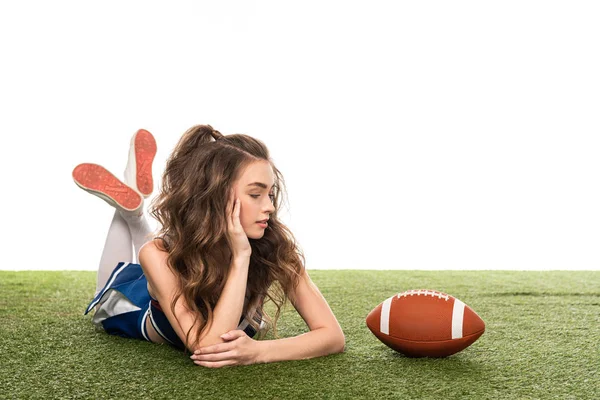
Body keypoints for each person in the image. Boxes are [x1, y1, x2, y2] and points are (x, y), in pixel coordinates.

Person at [72, 125, 345, 368]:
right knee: (106, 295)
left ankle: (132, 210)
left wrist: (258, 351)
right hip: (138, 310)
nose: (270, 207)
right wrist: (240, 256)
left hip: (181, 269)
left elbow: (332, 336)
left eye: (270, 193)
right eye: (255, 194)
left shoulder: (273, 244)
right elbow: (210, 347)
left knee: (156, 253)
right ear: (215, 196)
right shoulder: (157, 255)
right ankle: (130, 214)